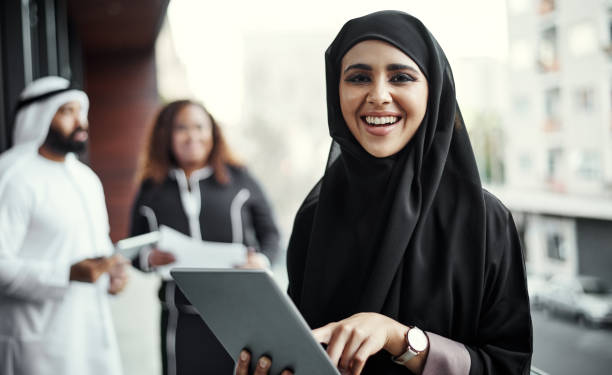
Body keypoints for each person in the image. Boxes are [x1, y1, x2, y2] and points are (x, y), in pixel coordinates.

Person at [235, 10, 532, 375]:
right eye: (358, 78)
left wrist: (400, 339)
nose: (378, 95)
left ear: (433, 90)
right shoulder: (316, 215)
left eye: (401, 77)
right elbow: (306, 350)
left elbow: (508, 366)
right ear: (336, 90)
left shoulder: (483, 219)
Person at [130, 99, 281, 375]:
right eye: (182, 128)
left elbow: (271, 234)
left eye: (200, 127)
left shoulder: (239, 179)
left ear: (213, 132)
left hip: (238, 315)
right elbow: (134, 249)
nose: (193, 136)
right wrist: (148, 258)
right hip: (180, 319)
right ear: (166, 135)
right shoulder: (151, 188)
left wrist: (260, 260)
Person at [0, 76, 129, 375]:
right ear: (40, 117)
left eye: (81, 112)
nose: (80, 122)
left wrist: (112, 275)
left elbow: (97, 246)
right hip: (38, 347)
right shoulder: (13, 178)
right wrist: (66, 274)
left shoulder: (86, 178)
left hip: (92, 341)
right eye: (67, 112)